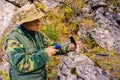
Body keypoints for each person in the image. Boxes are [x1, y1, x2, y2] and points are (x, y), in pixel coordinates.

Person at [4, 2, 82, 80]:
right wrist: (45, 53)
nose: (39, 22)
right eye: (35, 20)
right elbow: (21, 64)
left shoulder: (37, 34)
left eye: (38, 19)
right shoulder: (13, 39)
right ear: (25, 22)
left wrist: (69, 47)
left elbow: (52, 46)